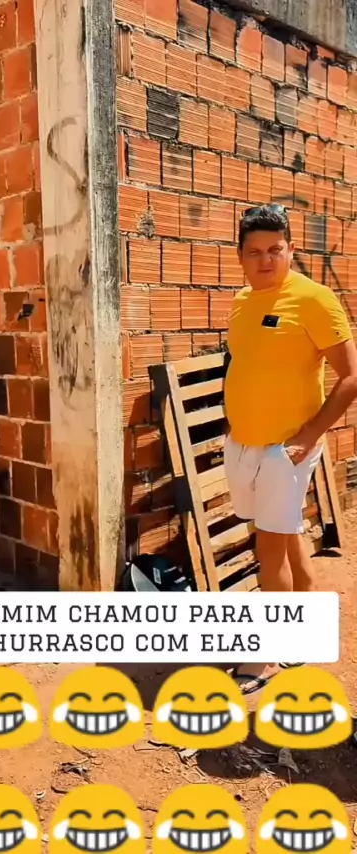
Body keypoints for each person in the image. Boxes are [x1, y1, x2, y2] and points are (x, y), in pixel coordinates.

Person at [223, 204, 357, 695]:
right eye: (255, 252)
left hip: (287, 450)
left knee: (269, 547)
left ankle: (263, 658)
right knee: (281, 528)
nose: (266, 260)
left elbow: (351, 376)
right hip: (243, 442)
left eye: (275, 250)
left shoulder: (313, 299)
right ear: (240, 256)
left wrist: (310, 434)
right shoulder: (242, 301)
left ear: (291, 250)